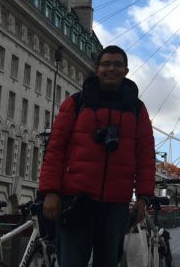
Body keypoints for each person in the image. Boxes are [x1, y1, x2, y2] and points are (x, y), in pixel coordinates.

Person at [39, 45, 156, 267]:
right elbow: (55, 149)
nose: (111, 69)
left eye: (117, 65)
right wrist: (50, 191)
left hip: (115, 205)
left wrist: (143, 197)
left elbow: (146, 157)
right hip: (75, 201)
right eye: (106, 64)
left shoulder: (137, 109)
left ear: (126, 71)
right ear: (97, 68)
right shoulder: (76, 103)